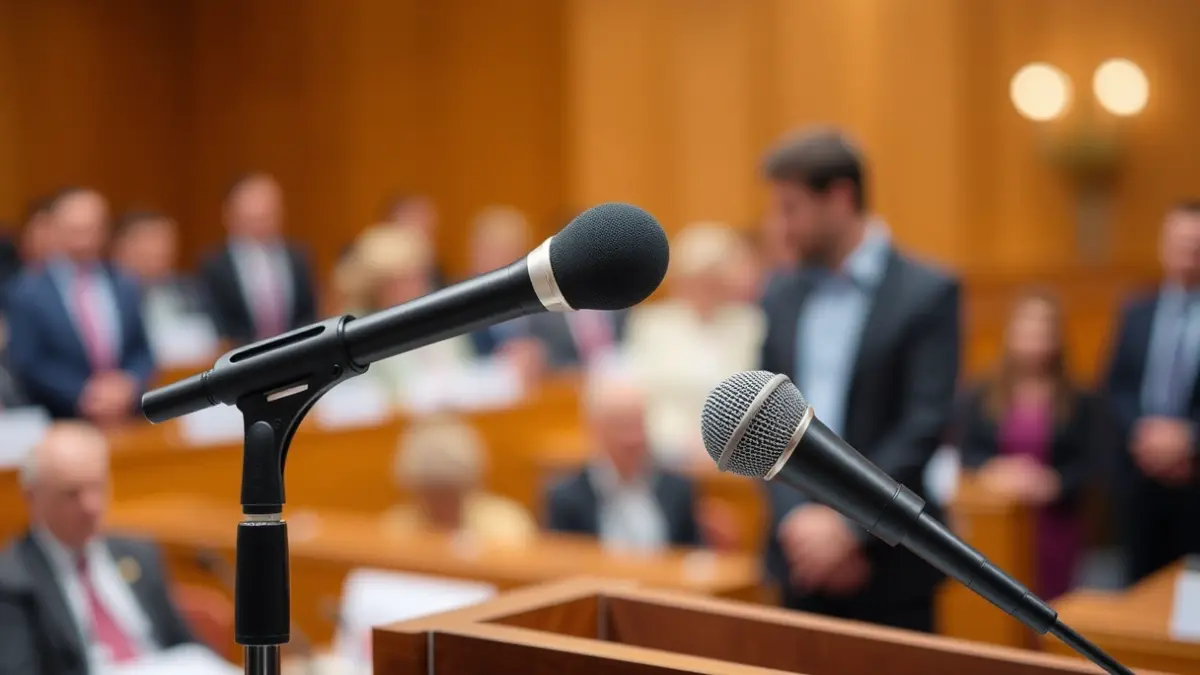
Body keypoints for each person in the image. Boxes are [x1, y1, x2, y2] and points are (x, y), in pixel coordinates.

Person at [758, 128, 960, 631]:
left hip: (890, 554)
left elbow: (924, 424)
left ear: (840, 198)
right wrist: (798, 520)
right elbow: (763, 420)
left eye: (790, 208)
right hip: (798, 555)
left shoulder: (927, 292)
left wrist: (848, 524)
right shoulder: (780, 294)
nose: (780, 228)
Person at [0, 422, 201, 675]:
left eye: (97, 487)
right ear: (32, 497)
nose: (91, 506)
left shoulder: (138, 552)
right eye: (71, 493)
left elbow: (185, 646)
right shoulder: (11, 579)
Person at [958, 290, 1099, 600]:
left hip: (1055, 522)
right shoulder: (979, 393)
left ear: (1056, 337)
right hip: (998, 520)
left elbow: (1093, 463)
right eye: (1026, 329)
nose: (1033, 340)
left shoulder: (1080, 399)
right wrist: (992, 471)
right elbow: (966, 454)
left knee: (1054, 605)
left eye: (1042, 331)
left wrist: (1056, 484)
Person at [1104, 201, 1200, 585]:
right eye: (1180, 243)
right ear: (1163, 246)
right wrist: (1143, 434)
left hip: (1194, 478)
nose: (1189, 254)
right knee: (1137, 586)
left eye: (1197, 244)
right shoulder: (1136, 310)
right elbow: (1116, 384)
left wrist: (1188, 439)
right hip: (1139, 477)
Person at [545, 359, 735, 551]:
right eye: (622, 427)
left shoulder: (678, 488)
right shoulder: (566, 498)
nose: (633, 438)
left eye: (638, 425)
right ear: (596, 430)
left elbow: (692, 556)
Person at [6, 188, 155, 422]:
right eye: (76, 230)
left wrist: (128, 383)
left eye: (92, 229)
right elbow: (28, 361)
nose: (84, 240)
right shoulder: (27, 291)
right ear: (54, 230)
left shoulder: (124, 282)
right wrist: (84, 393)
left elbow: (143, 349)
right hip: (62, 417)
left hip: (128, 414)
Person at [624, 223, 765, 465]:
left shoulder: (749, 324)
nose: (704, 288)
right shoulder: (652, 323)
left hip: (733, 449)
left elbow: (753, 398)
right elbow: (642, 394)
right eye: (697, 278)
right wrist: (677, 442)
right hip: (663, 450)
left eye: (711, 279)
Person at [336, 225, 477, 408]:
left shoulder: (442, 317)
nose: (417, 286)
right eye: (404, 279)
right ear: (377, 285)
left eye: (419, 276)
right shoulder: (356, 333)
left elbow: (470, 372)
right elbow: (365, 399)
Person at [198, 173, 317, 345]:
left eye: (267, 214)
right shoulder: (213, 264)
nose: (261, 223)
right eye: (253, 218)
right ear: (230, 215)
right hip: (240, 361)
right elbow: (214, 323)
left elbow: (308, 314)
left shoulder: (298, 257)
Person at [387, 415, 537, 546]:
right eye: (431, 494)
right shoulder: (397, 528)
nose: (441, 505)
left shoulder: (505, 526)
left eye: (449, 493)